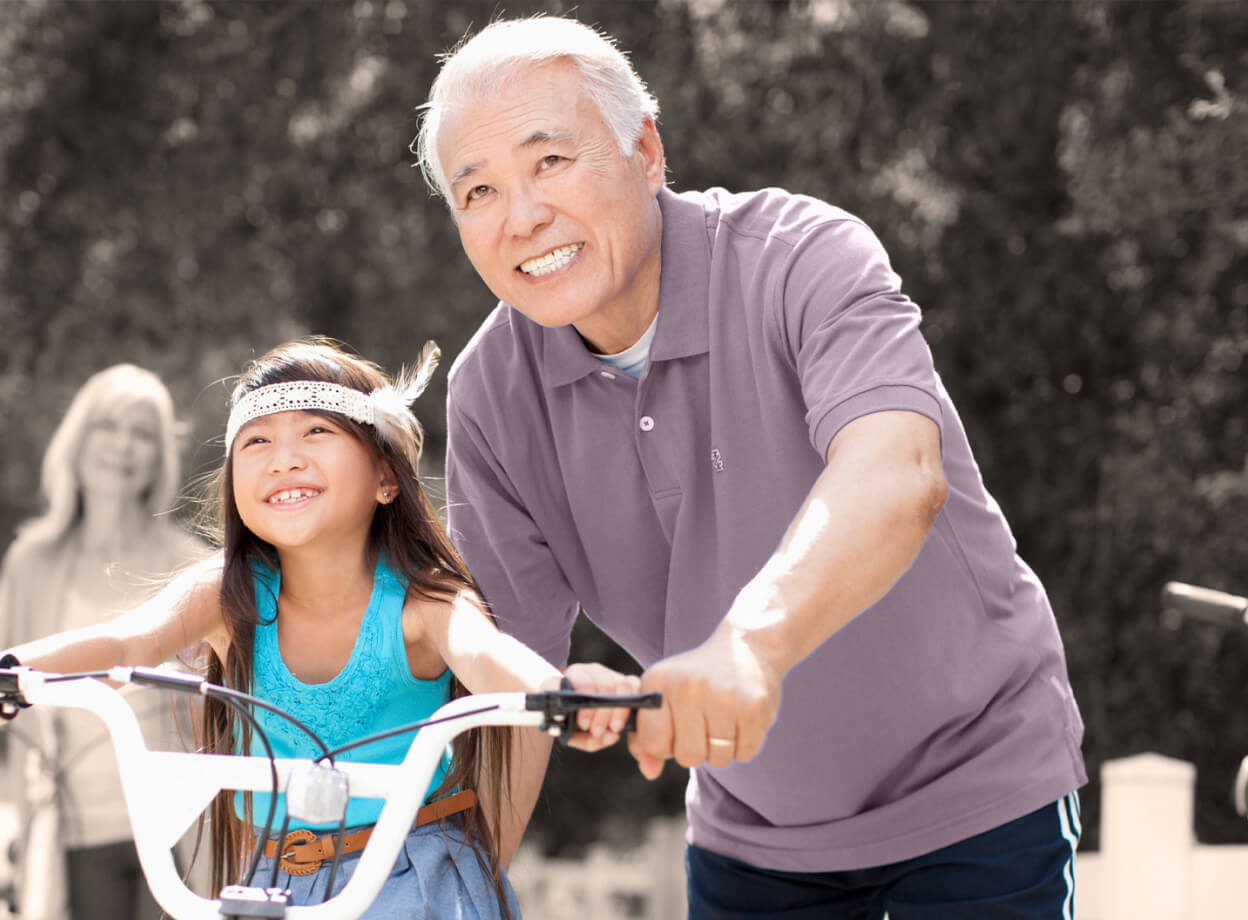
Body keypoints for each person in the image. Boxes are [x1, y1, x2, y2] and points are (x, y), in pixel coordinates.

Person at [418, 16, 1087, 919]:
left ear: (646, 150)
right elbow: (509, 683)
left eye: (550, 162)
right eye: (478, 192)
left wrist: (748, 645)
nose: (522, 216)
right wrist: (450, 889)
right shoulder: (488, 396)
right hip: (753, 836)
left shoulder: (804, 257)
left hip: (979, 794)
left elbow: (898, 471)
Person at [0, 339, 639, 920]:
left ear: (387, 479)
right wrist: (1, 668)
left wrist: (558, 692)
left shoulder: (423, 601)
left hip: (416, 881)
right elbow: (127, 643)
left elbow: (484, 655)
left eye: (316, 433)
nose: (284, 456)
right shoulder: (228, 593)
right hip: (273, 879)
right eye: (255, 442)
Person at [0, 364, 210, 920]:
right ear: (78, 440)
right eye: (109, 427)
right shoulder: (31, 561)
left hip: (176, 829)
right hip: (72, 829)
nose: (123, 446)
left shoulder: (194, 566)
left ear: (158, 455)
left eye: (142, 433)